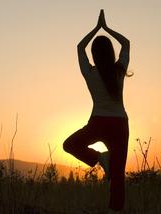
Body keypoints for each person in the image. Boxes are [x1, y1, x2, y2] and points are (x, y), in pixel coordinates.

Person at [63, 9, 131, 213]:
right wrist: (107, 29)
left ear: (94, 54)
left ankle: (100, 158)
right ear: (111, 52)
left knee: (70, 145)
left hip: (98, 122)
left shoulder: (90, 72)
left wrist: (96, 28)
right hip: (120, 124)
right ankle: (114, 210)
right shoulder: (119, 70)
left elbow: (79, 46)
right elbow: (126, 43)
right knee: (118, 174)